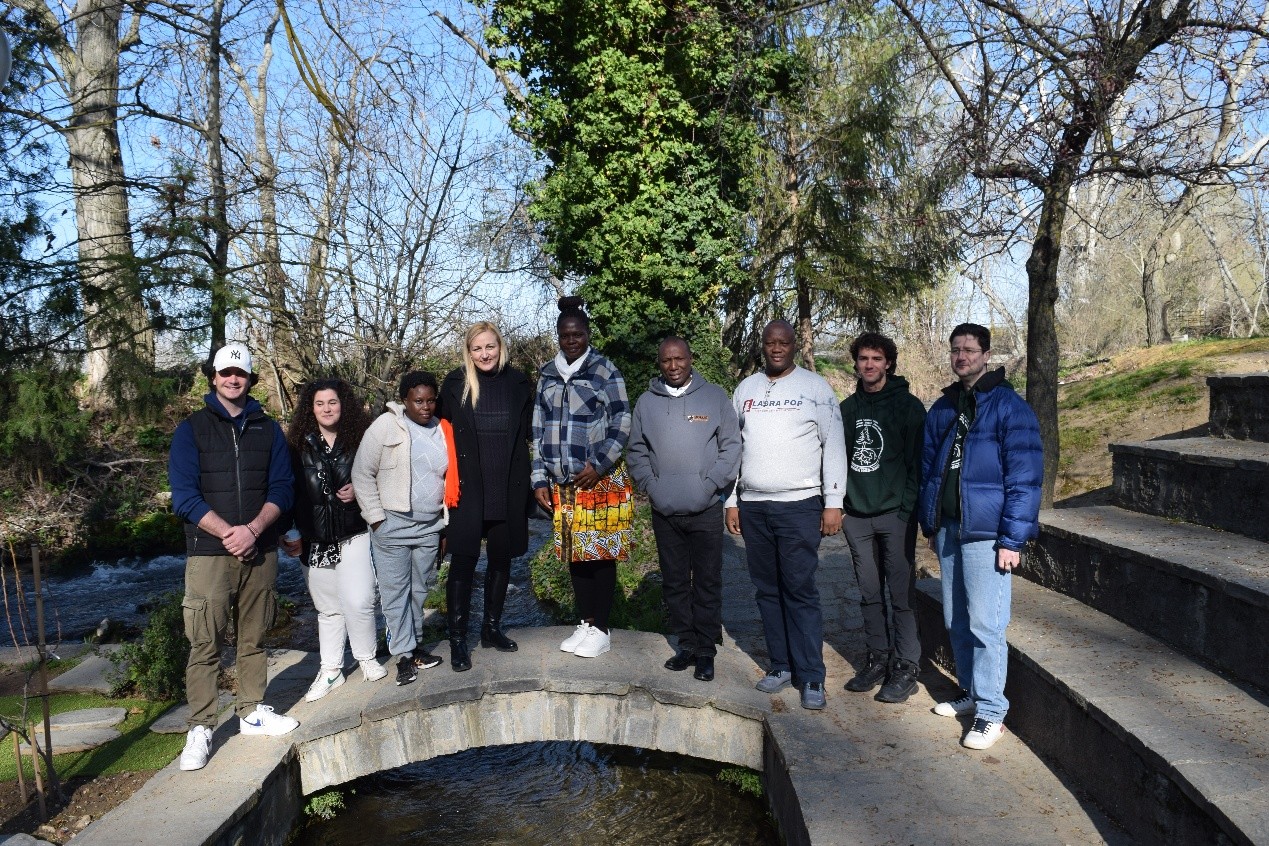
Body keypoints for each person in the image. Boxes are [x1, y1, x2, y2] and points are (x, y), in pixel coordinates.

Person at [169, 342, 298, 772]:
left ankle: (252, 711)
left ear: (250, 379)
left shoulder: (269, 429)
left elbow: (283, 488)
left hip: (260, 550)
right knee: (205, 641)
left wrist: (254, 530)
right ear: (214, 376)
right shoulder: (191, 429)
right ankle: (202, 726)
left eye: (240, 373)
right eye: (225, 372)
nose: (232, 379)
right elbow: (184, 497)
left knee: (253, 636)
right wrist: (229, 533)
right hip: (209, 552)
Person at [918, 323, 1042, 750]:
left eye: (969, 350)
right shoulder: (943, 407)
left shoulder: (1010, 408)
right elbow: (931, 471)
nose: (961, 357)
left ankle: (992, 712)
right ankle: (972, 693)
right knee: (956, 620)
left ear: (986, 355)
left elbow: (1025, 479)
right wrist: (931, 524)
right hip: (951, 530)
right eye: (955, 350)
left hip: (987, 534)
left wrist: (1012, 540)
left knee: (987, 624)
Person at [725, 320, 846, 710]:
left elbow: (835, 447)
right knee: (767, 590)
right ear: (762, 346)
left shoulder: (815, 388)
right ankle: (781, 665)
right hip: (755, 506)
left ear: (794, 345)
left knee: (800, 589)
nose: (776, 348)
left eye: (784, 342)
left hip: (800, 505)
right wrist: (731, 499)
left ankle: (812, 676)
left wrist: (833, 501)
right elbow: (732, 449)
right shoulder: (746, 390)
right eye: (770, 342)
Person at [627, 337, 740, 682]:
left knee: (707, 582)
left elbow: (732, 447)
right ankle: (686, 645)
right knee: (675, 583)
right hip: (665, 511)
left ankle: (707, 650)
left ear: (691, 359)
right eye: (666, 361)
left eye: (679, 359)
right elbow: (636, 451)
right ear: (658, 364)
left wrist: (710, 486)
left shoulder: (715, 397)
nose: (673, 366)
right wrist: (652, 488)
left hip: (705, 509)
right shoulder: (646, 403)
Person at [532, 296, 632, 659]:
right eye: (565, 335)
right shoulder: (546, 374)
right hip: (564, 483)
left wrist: (601, 462)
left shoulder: (605, 371)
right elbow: (538, 428)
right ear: (558, 335)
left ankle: (602, 628)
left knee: (599, 554)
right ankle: (587, 622)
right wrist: (539, 478)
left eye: (577, 334)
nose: (571, 340)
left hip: (598, 479)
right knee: (576, 555)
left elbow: (623, 421)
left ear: (587, 334)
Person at [282, 378, 386, 701]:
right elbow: (287, 489)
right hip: (314, 539)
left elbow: (382, 473)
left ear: (344, 405)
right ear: (310, 409)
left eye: (333, 403)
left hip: (354, 532)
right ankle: (331, 670)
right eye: (320, 404)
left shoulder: (361, 439)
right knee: (327, 608)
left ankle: (367, 658)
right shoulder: (296, 445)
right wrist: (291, 531)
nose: (327, 409)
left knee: (359, 599)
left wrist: (358, 487)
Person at [352, 371, 459, 687]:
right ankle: (403, 657)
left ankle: (415, 648)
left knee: (418, 590)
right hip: (392, 526)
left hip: (428, 527)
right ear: (404, 400)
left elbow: (448, 477)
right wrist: (376, 518)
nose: (425, 407)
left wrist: (444, 526)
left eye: (430, 400)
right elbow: (362, 473)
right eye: (418, 401)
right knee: (395, 593)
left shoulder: (442, 429)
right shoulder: (385, 426)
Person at [440, 322, 534, 671]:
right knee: (463, 560)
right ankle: (458, 640)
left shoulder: (518, 383)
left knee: (501, 557)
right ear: (468, 351)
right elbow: (440, 436)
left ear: (500, 346)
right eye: (477, 348)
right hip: (468, 487)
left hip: (507, 484)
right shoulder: (454, 385)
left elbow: (529, 433)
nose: (484, 354)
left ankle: (491, 628)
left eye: (490, 347)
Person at [838, 332, 927, 703]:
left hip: (895, 515)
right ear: (856, 363)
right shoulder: (845, 410)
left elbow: (917, 464)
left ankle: (906, 666)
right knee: (869, 592)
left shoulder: (907, 407)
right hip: (856, 516)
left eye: (876, 358)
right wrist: (841, 506)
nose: (869, 365)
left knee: (901, 593)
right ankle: (878, 658)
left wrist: (906, 510)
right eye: (863, 359)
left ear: (888, 362)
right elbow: (835, 459)